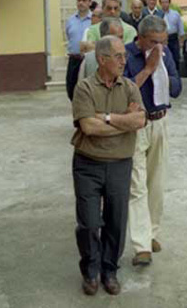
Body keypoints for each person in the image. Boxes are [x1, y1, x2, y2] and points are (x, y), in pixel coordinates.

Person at [71, 35, 146, 296]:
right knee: (90, 222)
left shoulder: (129, 87)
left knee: (116, 220)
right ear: (102, 60)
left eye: (124, 56)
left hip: (120, 164)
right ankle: (91, 271)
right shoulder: (84, 88)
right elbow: (88, 128)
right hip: (87, 164)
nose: (124, 61)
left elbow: (140, 121)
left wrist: (107, 119)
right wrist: (121, 120)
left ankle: (109, 270)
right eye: (118, 56)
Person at [124, 16, 182, 267]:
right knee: (137, 185)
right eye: (155, 42)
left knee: (156, 182)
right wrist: (148, 69)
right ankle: (141, 246)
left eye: (164, 41)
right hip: (137, 125)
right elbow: (123, 92)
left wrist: (164, 70)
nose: (160, 47)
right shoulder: (126, 55)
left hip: (160, 122)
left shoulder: (165, 53)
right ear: (141, 38)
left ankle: (152, 234)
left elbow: (177, 89)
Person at [77, 18, 125, 83]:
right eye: (116, 38)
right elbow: (81, 85)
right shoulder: (89, 60)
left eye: (121, 37)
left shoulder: (127, 57)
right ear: (104, 36)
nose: (121, 41)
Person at [65, 0, 93, 100]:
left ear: (90, 3)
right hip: (74, 59)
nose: (81, 3)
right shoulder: (70, 21)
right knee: (71, 89)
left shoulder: (94, 20)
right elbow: (69, 36)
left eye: (84, 0)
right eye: (79, 0)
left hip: (88, 60)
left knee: (88, 91)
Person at [159, 0, 184, 72]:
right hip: (162, 38)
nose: (164, 4)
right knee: (164, 58)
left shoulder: (175, 14)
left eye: (166, 2)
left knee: (175, 57)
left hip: (173, 38)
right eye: (163, 2)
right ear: (160, 4)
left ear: (169, 3)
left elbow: (180, 28)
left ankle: (176, 74)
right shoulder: (158, 14)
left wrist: (181, 41)